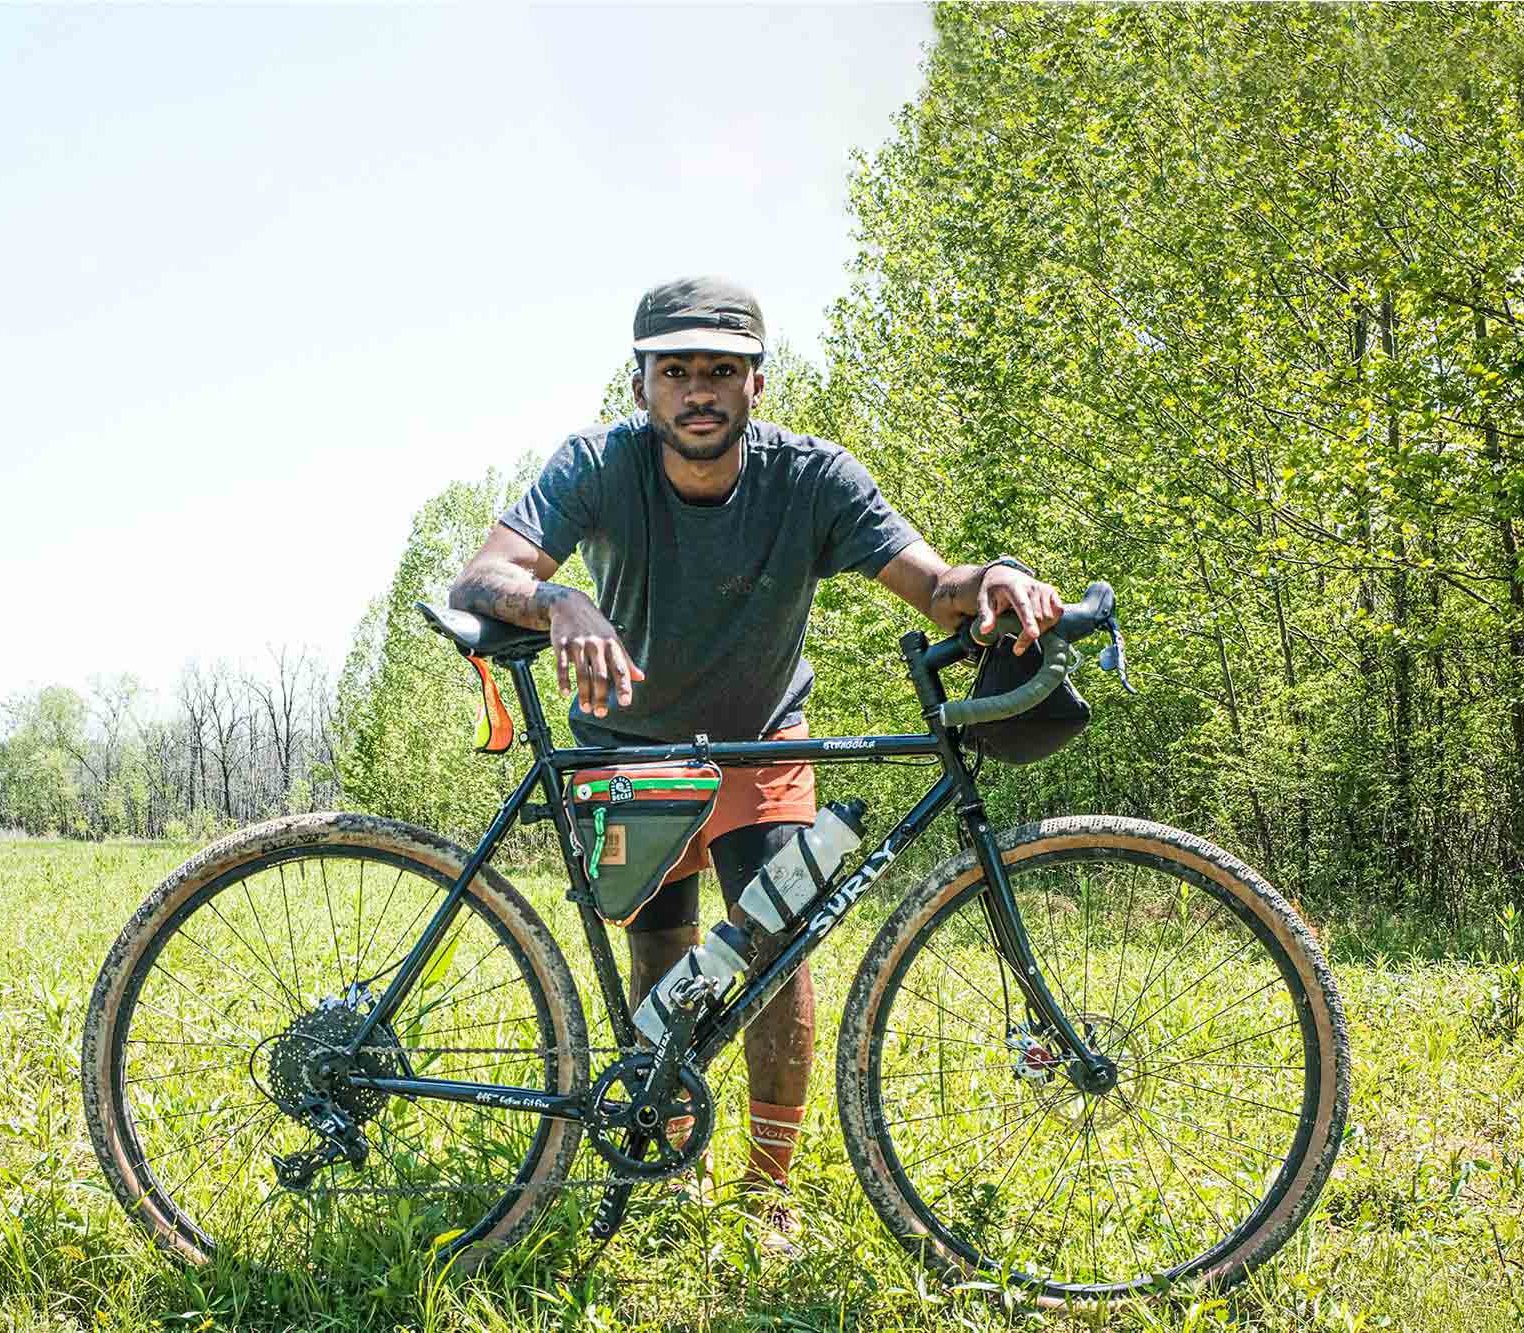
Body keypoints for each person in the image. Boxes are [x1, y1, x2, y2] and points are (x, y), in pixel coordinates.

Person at [447, 275, 1064, 1253]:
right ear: (641, 384)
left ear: (755, 384)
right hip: (628, 746)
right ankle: (670, 1164)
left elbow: (933, 582)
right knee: (661, 957)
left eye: (721, 370)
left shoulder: (812, 479)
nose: (698, 389)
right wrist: (558, 601)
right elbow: (483, 573)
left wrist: (994, 577)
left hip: (761, 742)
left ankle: (766, 1190)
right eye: (676, 370)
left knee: (777, 957)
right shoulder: (596, 464)